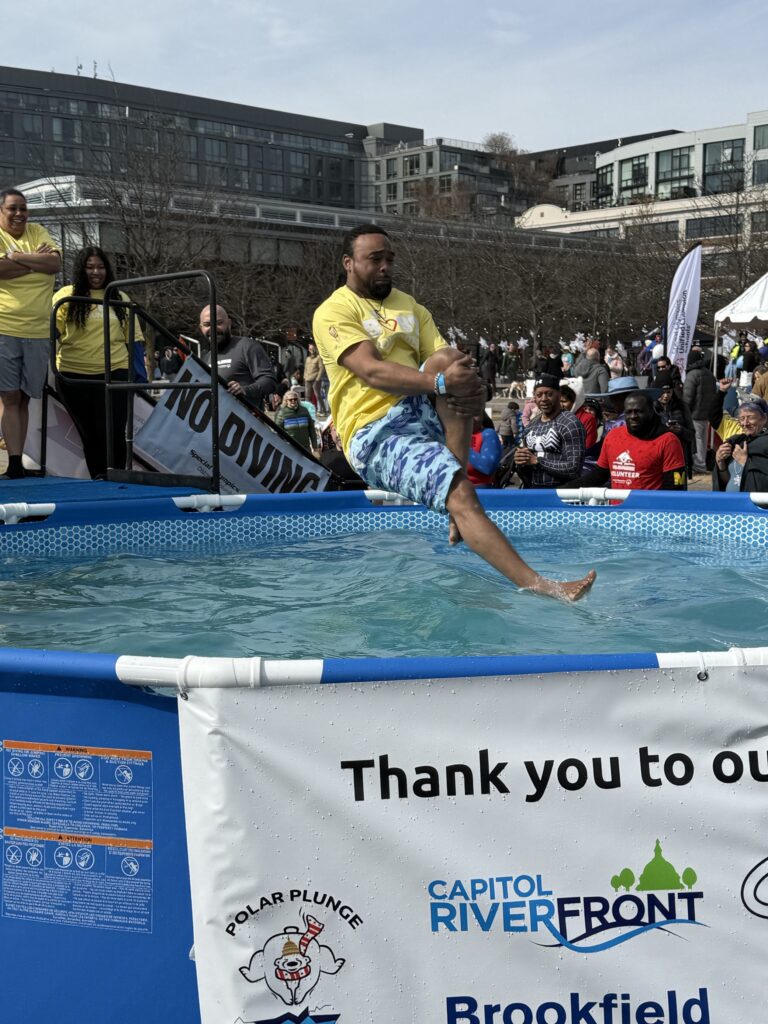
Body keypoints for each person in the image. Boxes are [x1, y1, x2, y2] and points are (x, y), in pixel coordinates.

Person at [312, 224, 595, 601]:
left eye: (389, 260)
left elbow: (452, 365)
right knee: (461, 494)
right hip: (375, 432)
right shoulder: (333, 310)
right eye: (374, 259)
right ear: (349, 263)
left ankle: (455, 490)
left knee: (449, 359)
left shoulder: (409, 305)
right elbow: (372, 371)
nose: (384, 267)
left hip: (421, 410)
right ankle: (543, 586)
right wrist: (443, 386)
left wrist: (462, 382)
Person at [53, 246, 141, 479]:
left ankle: (119, 479)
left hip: (115, 372)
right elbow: (50, 333)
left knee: (112, 432)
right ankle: (99, 479)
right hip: (74, 376)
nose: (95, 272)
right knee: (90, 434)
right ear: (81, 270)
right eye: (90, 267)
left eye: (101, 267)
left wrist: (139, 376)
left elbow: (135, 339)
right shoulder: (65, 296)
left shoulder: (119, 297)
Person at [0, 188, 62, 478]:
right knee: (10, 396)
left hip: (38, 331)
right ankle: (13, 462)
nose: (19, 214)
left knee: (25, 397)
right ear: (1, 210)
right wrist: (31, 262)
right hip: (5, 327)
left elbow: (54, 264)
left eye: (23, 208)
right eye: (12, 208)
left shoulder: (38, 231)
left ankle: (18, 461)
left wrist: (15, 258)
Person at [565, 391, 686, 492]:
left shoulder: (668, 440)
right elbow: (599, 475)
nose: (633, 416)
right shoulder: (613, 436)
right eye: (629, 412)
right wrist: (561, 490)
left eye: (638, 411)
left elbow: (676, 485)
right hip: (618, 516)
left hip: (650, 515)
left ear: (650, 412)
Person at [198, 305, 281, 412]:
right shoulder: (206, 358)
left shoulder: (247, 346)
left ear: (229, 323)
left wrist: (245, 391)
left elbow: (270, 381)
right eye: (207, 325)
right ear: (201, 328)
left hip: (247, 424)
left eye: (218, 323)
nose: (213, 328)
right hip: (218, 424)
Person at [514, 374, 586, 488]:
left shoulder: (570, 423)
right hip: (533, 492)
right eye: (539, 395)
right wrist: (520, 460)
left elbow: (574, 468)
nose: (544, 399)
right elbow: (526, 467)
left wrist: (538, 461)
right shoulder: (531, 425)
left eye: (549, 394)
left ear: (559, 394)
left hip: (562, 494)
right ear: (534, 397)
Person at [709, 382, 768, 492]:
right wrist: (721, 465)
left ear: (764, 418)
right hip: (732, 505)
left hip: (751, 508)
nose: (745, 423)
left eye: (750, 418)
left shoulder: (765, 444)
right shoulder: (736, 442)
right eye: (741, 418)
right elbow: (731, 480)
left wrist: (745, 463)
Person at [683, 346, 717, 475]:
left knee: (697, 441)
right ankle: (701, 464)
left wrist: (685, 412)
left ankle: (699, 465)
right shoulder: (709, 374)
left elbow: (688, 397)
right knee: (703, 439)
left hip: (694, 413)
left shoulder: (692, 374)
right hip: (706, 413)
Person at [653, 369, 695, 474]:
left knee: (678, 487)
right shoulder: (650, 407)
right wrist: (663, 430)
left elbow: (691, 434)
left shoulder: (681, 406)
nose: (666, 396)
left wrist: (680, 430)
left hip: (679, 458)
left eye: (669, 392)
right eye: (663, 392)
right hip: (657, 457)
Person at [274, 389, 317, 454]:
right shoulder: (281, 413)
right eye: (290, 400)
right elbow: (277, 433)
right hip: (290, 449)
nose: (293, 401)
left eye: (295, 399)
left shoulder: (304, 411)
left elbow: (312, 430)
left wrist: (315, 447)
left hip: (306, 448)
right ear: (286, 401)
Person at [467, 413, 502, 488]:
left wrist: (460, 445)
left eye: (476, 413)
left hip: (479, 492)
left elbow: (487, 467)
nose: (471, 418)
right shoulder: (445, 434)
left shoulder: (488, 434)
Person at [303, 341, 329, 416]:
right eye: (310, 349)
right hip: (308, 379)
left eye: (312, 348)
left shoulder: (318, 358)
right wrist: (304, 377)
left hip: (315, 379)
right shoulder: (308, 359)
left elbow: (322, 368)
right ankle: (308, 411)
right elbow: (305, 369)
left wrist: (318, 378)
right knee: (307, 396)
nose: (311, 350)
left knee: (317, 395)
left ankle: (323, 411)